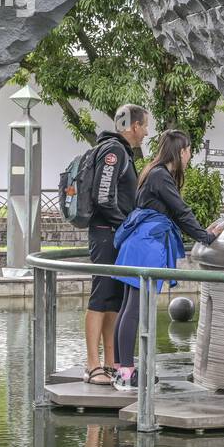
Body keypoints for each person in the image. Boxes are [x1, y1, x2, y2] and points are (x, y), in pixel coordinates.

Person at [109, 129, 224, 391]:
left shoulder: (154, 171)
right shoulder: (161, 176)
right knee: (134, 308)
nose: (190, 155)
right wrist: (205, 237)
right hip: (146, 244)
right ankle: (127, 373)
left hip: (139, 240)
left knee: (128, 306)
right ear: (180, 151)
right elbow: (181, 212)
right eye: (189, 150)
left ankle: (121, 370)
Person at [82, 104, 149, 386]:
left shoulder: (121, 152)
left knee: (112, 298)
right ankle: (92, 364)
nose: (146, 132)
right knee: (100, 296)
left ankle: (110, 363)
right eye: (145, 126)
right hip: (106, 232)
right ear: (133, 126)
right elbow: (103, 197)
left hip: (114, 232)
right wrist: (127, 224)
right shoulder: (114, 152)